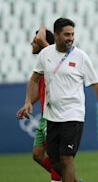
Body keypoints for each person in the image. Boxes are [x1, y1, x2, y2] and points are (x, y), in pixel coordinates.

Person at [18, 18, 98, 182]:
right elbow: (34, 79)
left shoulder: (81, 57)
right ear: (56, 35)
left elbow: (96, 86)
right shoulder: (45, 54)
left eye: (72, 34)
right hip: (51, 117)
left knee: (66, 159)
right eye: (66, 34)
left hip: (73, 116)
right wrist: (28, 101)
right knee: (55, 162)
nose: (70, 38)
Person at [16, 27, 62, 182]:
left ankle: (68, 179)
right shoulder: (43, 62)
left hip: (53, 116)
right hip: (44, 116)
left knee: (55, 157)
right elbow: (41, 91)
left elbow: (42, 32)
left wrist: (41, 31)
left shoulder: (52, 55)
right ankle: (71, 178)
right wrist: (28, 103)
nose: (31, 43)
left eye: (34, 41)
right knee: (37, 155)